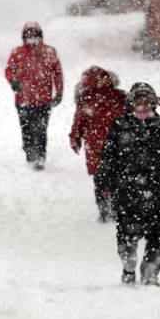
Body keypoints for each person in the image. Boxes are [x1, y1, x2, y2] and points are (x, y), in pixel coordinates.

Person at [95, 83, 160, 286]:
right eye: (138, 102)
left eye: (147, 102)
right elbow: (107, 156)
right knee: (126, 237)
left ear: (153, 104)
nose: (142, 106)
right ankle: (129, 267)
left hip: (159, 192)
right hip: (128, 193)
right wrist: (104, 183)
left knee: (159, 237)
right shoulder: (120, 125)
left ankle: (151, 273)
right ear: (131, 104)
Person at [4, 21, 64, 170]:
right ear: (24, 37)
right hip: (23, 99)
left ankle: (41, 156)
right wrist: (14, 82)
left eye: (35, 35)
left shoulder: (49, 52)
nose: (32, 38)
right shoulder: (17, 52)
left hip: (43, 99)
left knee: (41, 129)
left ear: (40, 36)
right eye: (29, 35)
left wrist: (59, 92)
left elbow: (57, 73)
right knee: (26, 128)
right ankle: (29, 150)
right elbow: (9, 70)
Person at [69, 66, 126, 222]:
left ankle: (104, 208)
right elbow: (131, 114)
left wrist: (75, 138)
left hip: (95, 147)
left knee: (100, 179)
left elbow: (78, 123)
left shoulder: (86, 99)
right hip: (118, 144)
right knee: (116, 177)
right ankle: (115, 206)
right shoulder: (119, 96)